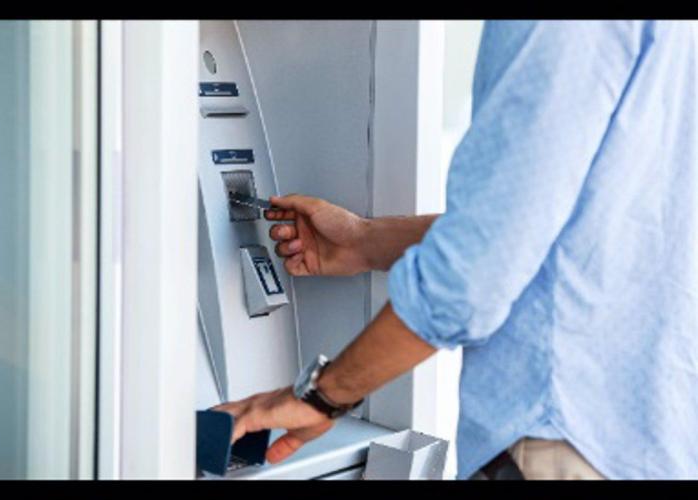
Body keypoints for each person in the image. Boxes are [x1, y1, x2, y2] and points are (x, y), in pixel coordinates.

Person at [215, 20, 698, 479]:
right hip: (653, 438)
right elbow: (581, 229)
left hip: (562, 435)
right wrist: (362, 241)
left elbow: (475, 278)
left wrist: (321, 397)